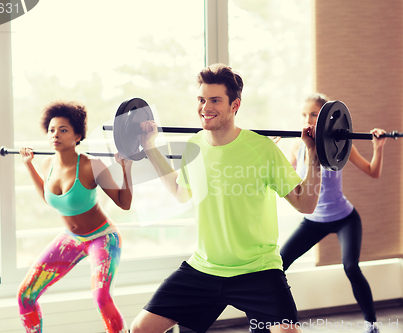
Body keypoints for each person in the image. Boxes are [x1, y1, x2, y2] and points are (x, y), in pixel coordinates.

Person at [129, 63, 321, 333]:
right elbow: (180, 192)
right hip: (204, 268)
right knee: (140, 329)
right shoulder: (194, 145)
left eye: (215, 100)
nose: (205, 107)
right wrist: (149, 147)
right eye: (201, 99)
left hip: (258, 270)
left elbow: (306, 203)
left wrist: (314, 155)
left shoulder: (262, 148)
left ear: (235, 105)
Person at [17, 101, 133, 333]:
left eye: (63, 130)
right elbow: (48, 196)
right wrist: (28, 166)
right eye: (51, 130)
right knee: (25, 296)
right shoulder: (47, 162)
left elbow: (124, 203)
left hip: (103, 237)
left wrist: (125, 168)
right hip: (71, 238)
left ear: (78, 135)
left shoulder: (93, 165)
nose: (55, 135)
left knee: (101, 297)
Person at [280, 93, 387, 333]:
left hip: (344, 218)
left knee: (351, 267)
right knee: (278, 265)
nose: (308, 119)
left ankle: (371, 325)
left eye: (314, 114)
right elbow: (287, 182)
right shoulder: (297, 146)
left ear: (326, 118)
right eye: (304, 114)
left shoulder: (340, 143)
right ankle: (280, 324)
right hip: (313, 220)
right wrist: (273, 150)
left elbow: (373, 171)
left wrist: (377, 147)